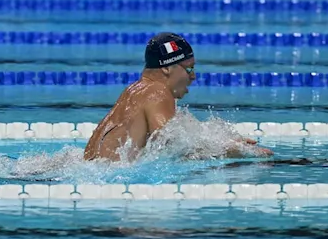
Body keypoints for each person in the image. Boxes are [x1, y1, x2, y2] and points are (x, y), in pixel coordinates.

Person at [83, 32, 271, 162]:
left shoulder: (135, 91)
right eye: (189, 68)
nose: (193, 76)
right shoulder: (157, 92)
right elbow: (172, 148)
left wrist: (221, 141)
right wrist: (234, 151)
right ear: (166, 68)